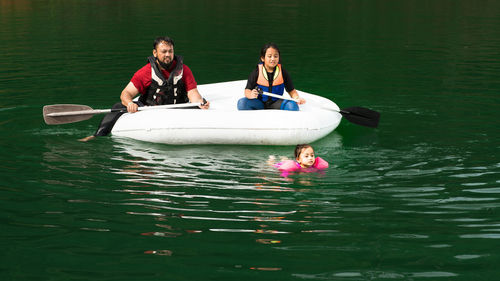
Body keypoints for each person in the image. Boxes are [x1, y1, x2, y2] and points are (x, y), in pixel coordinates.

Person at [79, 36, 209, 141]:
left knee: (198, 105)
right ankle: (97, 135)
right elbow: (126, 93)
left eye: (170, 51)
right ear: (155, 53)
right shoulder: (145, 72)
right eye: (164, 52)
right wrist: (129, 103)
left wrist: (199, 102)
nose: (168, 55)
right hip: (148, 110)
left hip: (177, 108)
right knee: (118, 106)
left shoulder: (184, 70)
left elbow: (193, 93)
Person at [237, 43, 305, 111]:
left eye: (275, 56)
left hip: (276, 102)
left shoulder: (283, 72)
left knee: (292, 106)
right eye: (269, 56)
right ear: (263, 58)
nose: (273, 59)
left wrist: (296, 98)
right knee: (242, 103)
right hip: (259, 103)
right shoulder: (256, 72)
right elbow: (247, 90)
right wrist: (251, 95)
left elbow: (291, 90)